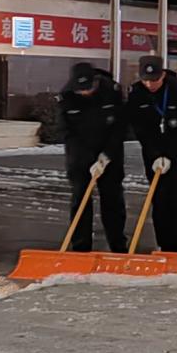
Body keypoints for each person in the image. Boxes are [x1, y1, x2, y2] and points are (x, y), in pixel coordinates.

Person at [126, 55, 177, 252]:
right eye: (146, 80)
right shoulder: (136, 93)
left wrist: (171, 155)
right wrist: (156, 154)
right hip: (154, 157)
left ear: (163, 74)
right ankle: (164, 245)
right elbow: (140, 128)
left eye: (154, 80)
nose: (150, 84)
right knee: (159, 201)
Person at [57, 62, 127, 252]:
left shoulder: (111, 91)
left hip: (109, 153)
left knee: (112, 200)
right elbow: (67, 132)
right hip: (80, 156)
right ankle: (80, 247)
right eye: (82, 90)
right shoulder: (67, 97)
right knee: (80, 199)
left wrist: (106, 156)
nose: (86, 93)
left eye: (89, 88)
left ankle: (118, 245)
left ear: (95, 81)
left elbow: (120, 128)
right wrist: (85, 158)